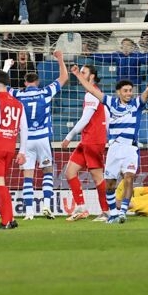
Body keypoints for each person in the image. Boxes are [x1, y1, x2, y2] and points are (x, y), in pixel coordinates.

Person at [70, 64, 148, 224]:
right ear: (119, 92)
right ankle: (112, 213)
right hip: (114, 148)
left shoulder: (137, 104)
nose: (128, 93)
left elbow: (147, 92)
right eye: (125, 91)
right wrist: (78, 75)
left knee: (129, 178)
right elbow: (92, 90)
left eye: (130, 91)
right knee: (110, 183)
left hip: (130, 148)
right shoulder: (111, 102)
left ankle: (123, 212)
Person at [3, 51, 68, 220]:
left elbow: (1, 88)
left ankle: (29, 212)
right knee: (47, 171)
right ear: (37, 82)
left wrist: (6, 68)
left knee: (28, 176)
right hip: (43, 138)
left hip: (27, 140)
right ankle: (47, 205)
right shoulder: (46, 92)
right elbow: (64, 78)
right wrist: (60, 59)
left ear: (25, 82)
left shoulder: (19, 94)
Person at [61, 65, 109, 222]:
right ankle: (81, 208)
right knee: (70, 172)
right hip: (87, 140)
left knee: (98, 177)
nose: (80, 75)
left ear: (92, 77)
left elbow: (85, 119)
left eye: (84, 73)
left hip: (93, 141)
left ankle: (106, 211)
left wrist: (69, 136)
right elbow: (107, 115)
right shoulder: (95, 94)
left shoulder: (92, 94)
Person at [0, 71, 28, 229]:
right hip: (10, 146)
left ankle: (6, 221)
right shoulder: (18, 103)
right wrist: (22, 151)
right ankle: (11, 218)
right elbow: (24, 129)